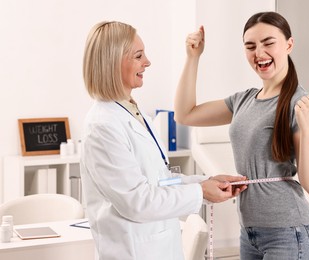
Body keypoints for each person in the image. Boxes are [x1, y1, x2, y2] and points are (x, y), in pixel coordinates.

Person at [80, 21, 247, 260]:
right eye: (138, 56)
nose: (147, 62)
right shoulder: (102, 126)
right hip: (133, 251)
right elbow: (136, 201)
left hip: (160, 247)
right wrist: (200, 192)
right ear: (113, 62)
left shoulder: (133, 113)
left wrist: (206, 181)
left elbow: (160, 181)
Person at [174, 12, 309, 260]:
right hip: (250, 234)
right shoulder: (243, 100)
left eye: (268, 43)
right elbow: (185, 115)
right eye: (250, 46)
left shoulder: (298, 103)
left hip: (290, 234)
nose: (259, 53)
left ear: (289, 44)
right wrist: (193, 58)